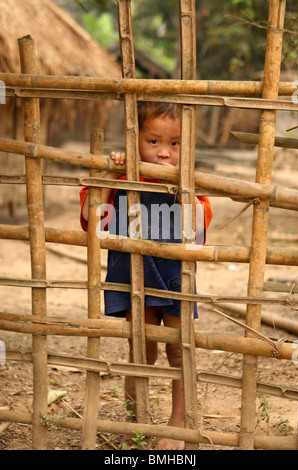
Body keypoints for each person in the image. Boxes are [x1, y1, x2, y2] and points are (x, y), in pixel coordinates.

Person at [80, 102, 213, 450]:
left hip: (174, 277)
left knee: (178, 350)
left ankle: (177, 422)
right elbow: (91, 217)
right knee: (140, 351)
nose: (165, 154)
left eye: (175, 144)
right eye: (153, 142)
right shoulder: (122, 179)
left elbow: (200, 226)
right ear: (132, 139)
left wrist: (185, 188)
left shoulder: (188, 182)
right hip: (132, 276)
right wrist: (111, 175)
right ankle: (135, 417)